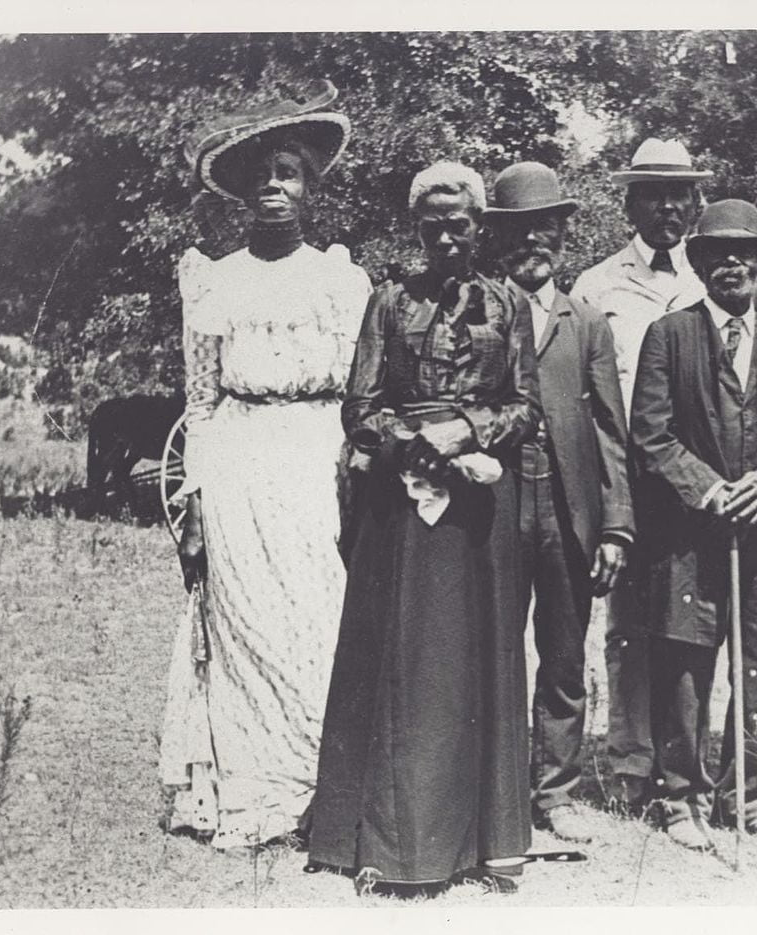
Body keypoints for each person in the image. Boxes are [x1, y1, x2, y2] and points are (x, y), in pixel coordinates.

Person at [308, 161, 542, 890]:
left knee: (475, 661)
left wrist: (468, 431)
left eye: (459, 223)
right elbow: (361, 405)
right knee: (400, 661)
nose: (446, 235)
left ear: (479, 228)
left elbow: (527, 406)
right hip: (400, 510)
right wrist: (419, 448)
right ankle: (388, 843)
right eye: (432, 224)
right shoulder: (387, 303)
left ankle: (478, 843)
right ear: (417, 228)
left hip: (478, 512)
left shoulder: (508, 305)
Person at [159, 80, 373, 848]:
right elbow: (203, 400)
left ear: (312, 188)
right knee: (245, 621)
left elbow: (360, 397)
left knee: (314, 617)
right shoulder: (215, 280)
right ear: (244, 195)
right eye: (263, 176)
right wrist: (198, 497)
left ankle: (320, 786)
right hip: (242, 460)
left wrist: (357, 477)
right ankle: (251, 790)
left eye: (289, 172)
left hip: (316, 461)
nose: (274, 187)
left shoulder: (341, 281)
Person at [630, 199, 757, 850]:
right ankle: (677, 796)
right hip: (690, 535)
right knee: (686, 664)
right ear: (700, 262)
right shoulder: (670, 335)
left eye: (745, 253)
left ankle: (752, 793)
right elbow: (651, 438)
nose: (731, 263)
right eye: (717, 253)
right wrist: (710, 489)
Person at [483, 162, 634, 843]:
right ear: (499, 239)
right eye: (518, 231)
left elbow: (611, 429)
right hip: (495, 510)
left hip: (570, 511)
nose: (531, 243)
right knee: (493, 648)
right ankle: (496, 784)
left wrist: (616, 528)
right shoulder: (477, 311)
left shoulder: (589, 322)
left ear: (563, 236)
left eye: (544, 229)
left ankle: (557, 789)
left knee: (564, 656)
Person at [570, 138, 711, 808]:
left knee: (689, 624)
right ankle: (629, 762)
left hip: (694, 483)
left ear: (695, 201)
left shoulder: (713, 278)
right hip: (624, 479)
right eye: (653, 192)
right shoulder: (596, 287)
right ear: (629, 201)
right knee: (627, 623)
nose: (668, 207)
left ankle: (687, 760)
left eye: (679, 193)